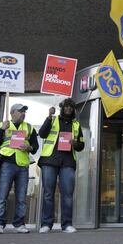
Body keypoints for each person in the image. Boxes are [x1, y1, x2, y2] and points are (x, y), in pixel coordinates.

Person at [38, 98, 84, 234]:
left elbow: (81, 145)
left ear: (73, 109)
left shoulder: (76, 124)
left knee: (67, 194)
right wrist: (48, 117)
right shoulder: (52, 120)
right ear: (62, 108)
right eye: (66, 106)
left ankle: (67, 224)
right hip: (50, 160)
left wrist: (75, 143)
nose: (68, 109)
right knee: (48, 194)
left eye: (71, 107)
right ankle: (46, 224)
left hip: (68, 162)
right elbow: (42, 134)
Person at [0, 103, 39, 234]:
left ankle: (19, 224)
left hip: (22, 165)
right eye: (20, 111)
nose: (23, 113)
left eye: (24, 111)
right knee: (2, 196)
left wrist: (29, 148)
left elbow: (35, 147)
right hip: (6, 163)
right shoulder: (2, 125)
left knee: (21, 197)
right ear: (12, 113)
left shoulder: (29, 127)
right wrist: (2, 130)